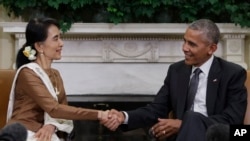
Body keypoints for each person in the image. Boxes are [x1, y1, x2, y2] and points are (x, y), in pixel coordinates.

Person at [102, 19, 247, 141]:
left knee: (191, 117)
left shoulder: (232, 73)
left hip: (215, 136)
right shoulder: (177, 71)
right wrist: (123, 116)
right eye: (184, 41)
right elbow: (156, 109)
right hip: (180, 137)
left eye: (192, 44)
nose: (184, 48)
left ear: (211, 48)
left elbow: (232, 119)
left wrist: (185, 124)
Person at [6, 17, 117, 141]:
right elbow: (54, 109)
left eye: (60, 37)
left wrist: (52, 125)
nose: (61, 43)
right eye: (55, 39)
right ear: (39, 46)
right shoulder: (28, 73)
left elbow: (63, 110)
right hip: (24, 132)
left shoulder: (55, 74)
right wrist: (99, 114)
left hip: (45, 132)